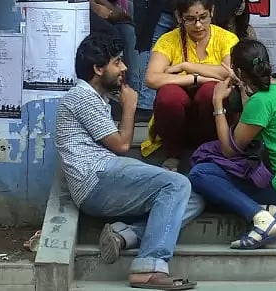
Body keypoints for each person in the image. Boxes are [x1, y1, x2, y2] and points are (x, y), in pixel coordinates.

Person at [56, 31, 203, 291]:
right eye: (117, 62)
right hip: (95, 179)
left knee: (193, 196)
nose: (124, 68)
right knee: (176, 186)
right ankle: (148, 265)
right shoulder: (80, 96)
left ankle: (126, 235)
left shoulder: (96, 98)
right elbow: (122, 145)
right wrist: (130, 105)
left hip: (107, 174)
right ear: (98, 69)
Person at [189, 39, 276, 250]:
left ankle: (261, 218)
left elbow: (229, 150)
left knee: (200, 174)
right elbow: (254, 113)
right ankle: (266, 209)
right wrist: (243, 86)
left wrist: (217, 103)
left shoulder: (261, 101)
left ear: (238, 71)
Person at [143, 0, 239, 170]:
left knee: (210, 92)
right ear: (179, 17)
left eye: (203, 17)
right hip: (179, 121)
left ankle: (214, 151)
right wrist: (195, 79)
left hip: (214, 118)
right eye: (190, 19)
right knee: (169, 96)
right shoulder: (168, 40)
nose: (198, 25)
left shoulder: (226, 39)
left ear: (212, 12)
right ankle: (173, 155)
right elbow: (152, 79)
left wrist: (186, 66)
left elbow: (228, 72)